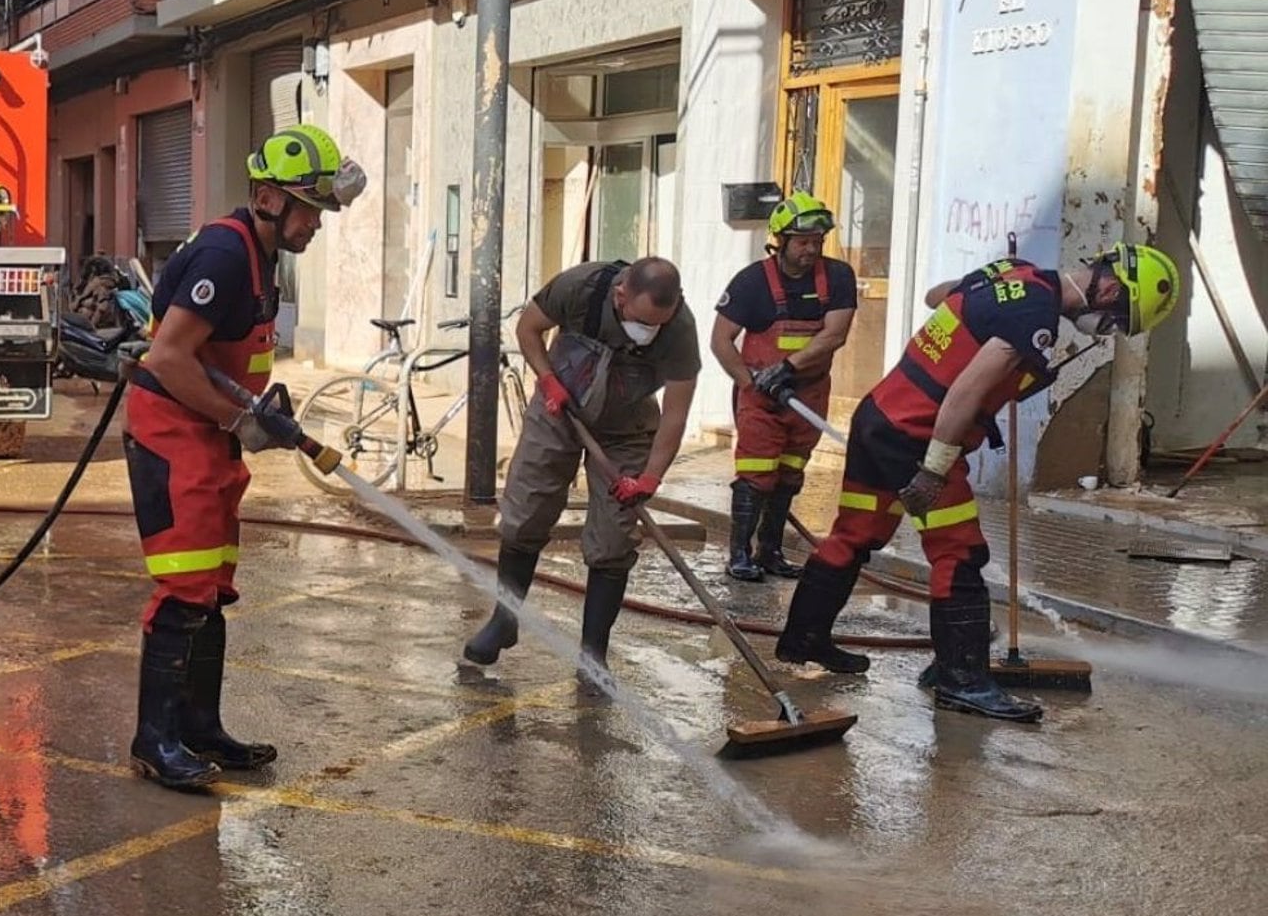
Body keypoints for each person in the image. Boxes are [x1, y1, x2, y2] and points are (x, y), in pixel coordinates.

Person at [776, 242, 1181, 723]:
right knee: (959, 551)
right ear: (1111, 290)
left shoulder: (1014, 273)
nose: (1108, 330)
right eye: (1117, 321)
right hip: (917, 435)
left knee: (854, 533)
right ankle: (961, 681)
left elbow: (937, 297)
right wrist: (934, 469)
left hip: (880, 416)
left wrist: (996, 324)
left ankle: (804, 639)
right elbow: (964, 392)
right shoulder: (1035, 315)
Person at [123, 124, 366, 791]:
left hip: (211, 434)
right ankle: (155, 741)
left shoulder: (261, 257)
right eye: (309, 209)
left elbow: (228, 357)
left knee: (212, 589)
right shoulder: (225, 256)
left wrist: (256, 410)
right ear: (268, 198)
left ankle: (200, 730)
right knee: (184, 587)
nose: (316, 224)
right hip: (175, 433)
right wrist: (238, 418)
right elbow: (168, 358)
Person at [462, 256, 700, 689]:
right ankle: (504, 618)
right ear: (621, 294)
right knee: (525, 515)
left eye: (656, 325)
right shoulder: (582, 287)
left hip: (627, 428)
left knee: (613, 540)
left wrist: (650, 477)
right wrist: (547, 378)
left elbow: (676, 413)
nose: (647, 332)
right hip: (559, 408)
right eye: (640, 321)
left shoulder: (680, 328)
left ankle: (593, 657)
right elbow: (528, 329)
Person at [710, 192, 858, 581]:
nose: (811, 249)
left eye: (817, 241)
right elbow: (721, 340)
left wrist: (787, 368)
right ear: (781, 241)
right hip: (761, 398)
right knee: (756, 474)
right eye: (802, 242)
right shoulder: (752, 282)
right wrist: (750, 383)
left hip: (809, 393)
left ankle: (770, 551)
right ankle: (739, 554)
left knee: (790, 474)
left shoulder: (838, 277)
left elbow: (835, 335)